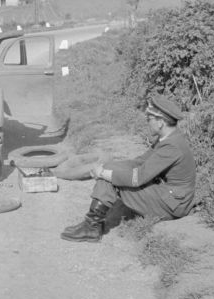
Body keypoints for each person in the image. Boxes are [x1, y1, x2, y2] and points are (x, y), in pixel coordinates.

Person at [61, 95, 196, 243]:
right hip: (170, 196)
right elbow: (140, 162)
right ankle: (92, 224)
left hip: (174, 204)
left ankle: (91, 227)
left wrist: (105, 174)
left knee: (110, 178)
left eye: (149, 118)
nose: (147, 122)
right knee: (110, 171)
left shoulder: (171, 146)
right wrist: (109, 168)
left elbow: (138, 178)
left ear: (160, 122)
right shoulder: (168, 138)